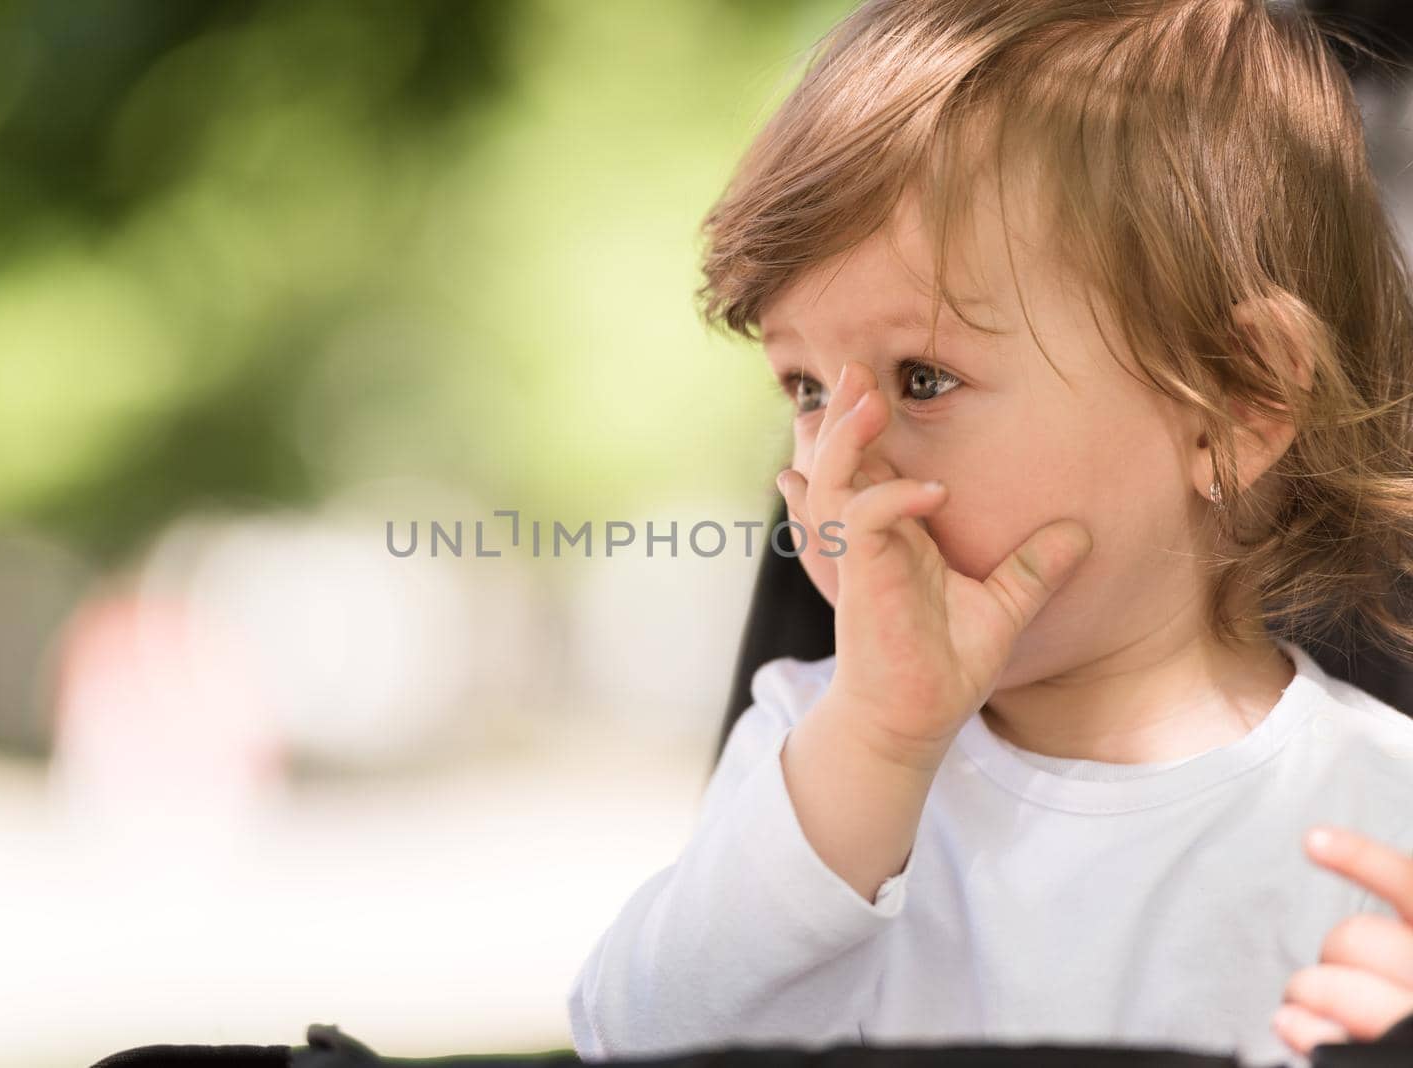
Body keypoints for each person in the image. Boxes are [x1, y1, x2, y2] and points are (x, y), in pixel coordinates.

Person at [565, 1, 1413, 1066]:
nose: (842, 463)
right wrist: (875, 742)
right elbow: (634, 1040)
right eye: (807, 387)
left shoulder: (1380, 818)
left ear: (1235, 401)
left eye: (925, 379)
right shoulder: (814, 749)